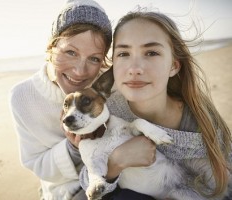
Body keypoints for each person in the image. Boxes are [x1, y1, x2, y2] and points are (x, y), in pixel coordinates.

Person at [10, 1, 159, 199]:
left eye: (94, 59)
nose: (80, 72)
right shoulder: (22, 97)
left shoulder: (112, 86)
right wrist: (73, 148)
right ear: (52, 47)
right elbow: (37, 165)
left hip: (127, 178)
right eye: (70, 52)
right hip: (68, 192)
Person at [80, 9, 232, 199]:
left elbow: (223, 185)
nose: (134, 69)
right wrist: (116, 163)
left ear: (174, 66)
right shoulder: (105, 108)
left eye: (151, 53)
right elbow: (88, 179)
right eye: (123, 53)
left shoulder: (198, 122)